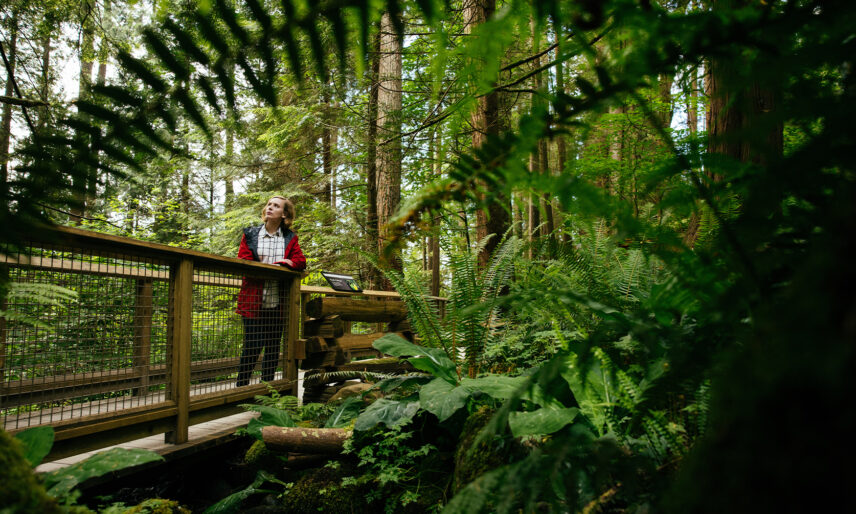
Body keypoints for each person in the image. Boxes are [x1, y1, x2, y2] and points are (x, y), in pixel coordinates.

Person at [235, 196, 306, 387]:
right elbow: (244, 259)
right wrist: (270, 270)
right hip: (252, 301)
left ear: (284, 214)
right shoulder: (250, 234)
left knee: (273, 347)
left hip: (277, 302)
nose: (270, 208)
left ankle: (268, 390)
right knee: (253, 345)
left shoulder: (290, 237)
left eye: (276, 206)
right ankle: (241, 388)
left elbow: (301, 261)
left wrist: (289, 262)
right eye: (269, 205)